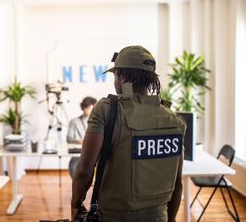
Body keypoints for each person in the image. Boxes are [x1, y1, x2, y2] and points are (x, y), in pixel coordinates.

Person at [71, 45, 186, 222]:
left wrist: (76, 205)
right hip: (159, 216)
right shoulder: (173, 119)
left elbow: (85, 170)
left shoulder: (107, 110)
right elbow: (177, 184)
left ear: (122, 77)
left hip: (113, 216)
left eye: (115, 75)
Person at [67, 96, 97, 178]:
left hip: (94, 152)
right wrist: (81, 141)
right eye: (89, 108)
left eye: (92, 108)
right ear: (83, 108)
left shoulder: (98, 121)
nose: (91, 110)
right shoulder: (74, 121)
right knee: (74, 165)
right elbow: (69, 138)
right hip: (79, 152)